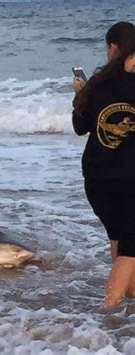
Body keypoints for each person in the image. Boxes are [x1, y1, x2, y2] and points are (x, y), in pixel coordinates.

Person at [72, 27, 135, 308]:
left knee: (120, 238)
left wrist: (80, 96)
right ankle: (108, 313)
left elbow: (80, 127)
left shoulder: (97, 83)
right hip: (129, 177)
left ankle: (128, 304)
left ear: (112, 48)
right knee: (131, 247)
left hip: (96, 178)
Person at [73, 21, 134, 94]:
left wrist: (81, 93)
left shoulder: (106, 80)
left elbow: (95, 104)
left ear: (113, 47)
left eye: (107, 47)